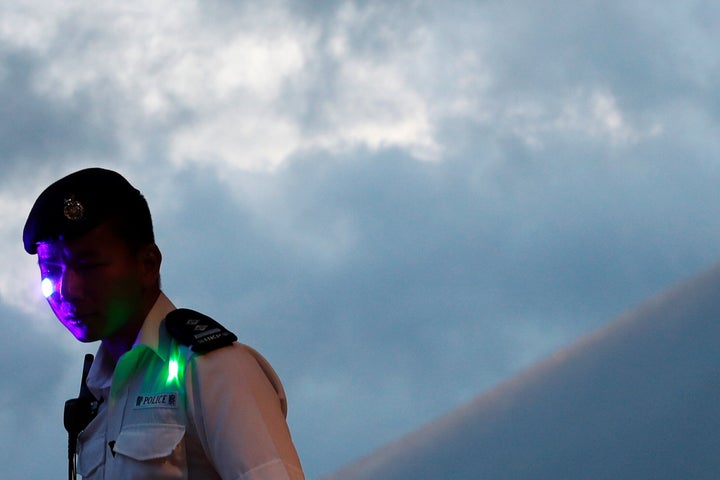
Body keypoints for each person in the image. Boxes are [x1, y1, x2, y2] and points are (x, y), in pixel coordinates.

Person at [23, 167, 305, 479]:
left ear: (147, 265)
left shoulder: (214, 369)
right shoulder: (97, 396)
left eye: (90, 266)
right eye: (51, 269)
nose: (67, 289)